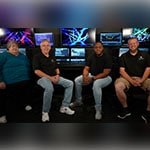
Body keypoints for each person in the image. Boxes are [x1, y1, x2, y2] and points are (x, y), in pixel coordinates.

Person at [32, 39, 75, 122]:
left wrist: (57, 75)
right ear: (40, 47)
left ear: (50, 47)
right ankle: (45, 112)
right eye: (43, 45)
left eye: (48, 45)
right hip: (42, 78)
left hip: (54, 77)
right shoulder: (37, 57)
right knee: (49, 88)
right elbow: (37, 71)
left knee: (70, 83)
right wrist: (50, 78)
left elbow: (56, 68)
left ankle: (64, 107)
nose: (46, 47)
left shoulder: (52, 56)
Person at [70, 42, 112, 120]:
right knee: (77, 80)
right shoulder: (91, 56)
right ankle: (79, 101)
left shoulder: (107, 57)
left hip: (106, 78)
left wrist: (92, 78)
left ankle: (98, 109)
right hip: (92, 75)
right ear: (94, 48)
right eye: (96, 47)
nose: (98, 49)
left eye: (99, 47)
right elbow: (86, 68)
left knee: (96, 84)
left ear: (102, 48)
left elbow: (105, 73)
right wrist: (85, 76)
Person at [114, 37, 150, 123]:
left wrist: (141, 80)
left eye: (134, 43)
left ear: (138, 44)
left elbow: (148, 69)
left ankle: (148, 112)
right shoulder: (123, 56)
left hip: (143, 78)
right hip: (127, 78)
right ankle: (125, 109)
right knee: (118, 86)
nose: (132, 45)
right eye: (130, 44)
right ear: (128, 45)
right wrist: (131, 81)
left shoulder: (145, 55)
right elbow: (121, 71)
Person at [0, 40, 32, 123]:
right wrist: (1, 81)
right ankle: (2, 114)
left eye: (15, 46)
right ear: (8, 48)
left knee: (28, 90)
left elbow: (28, 66)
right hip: (9, 82)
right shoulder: (4, 56)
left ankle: (24, 104)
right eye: (12, 46)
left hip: (25, 80)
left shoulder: (23, 56)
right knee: (4, 97)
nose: (14, 47)